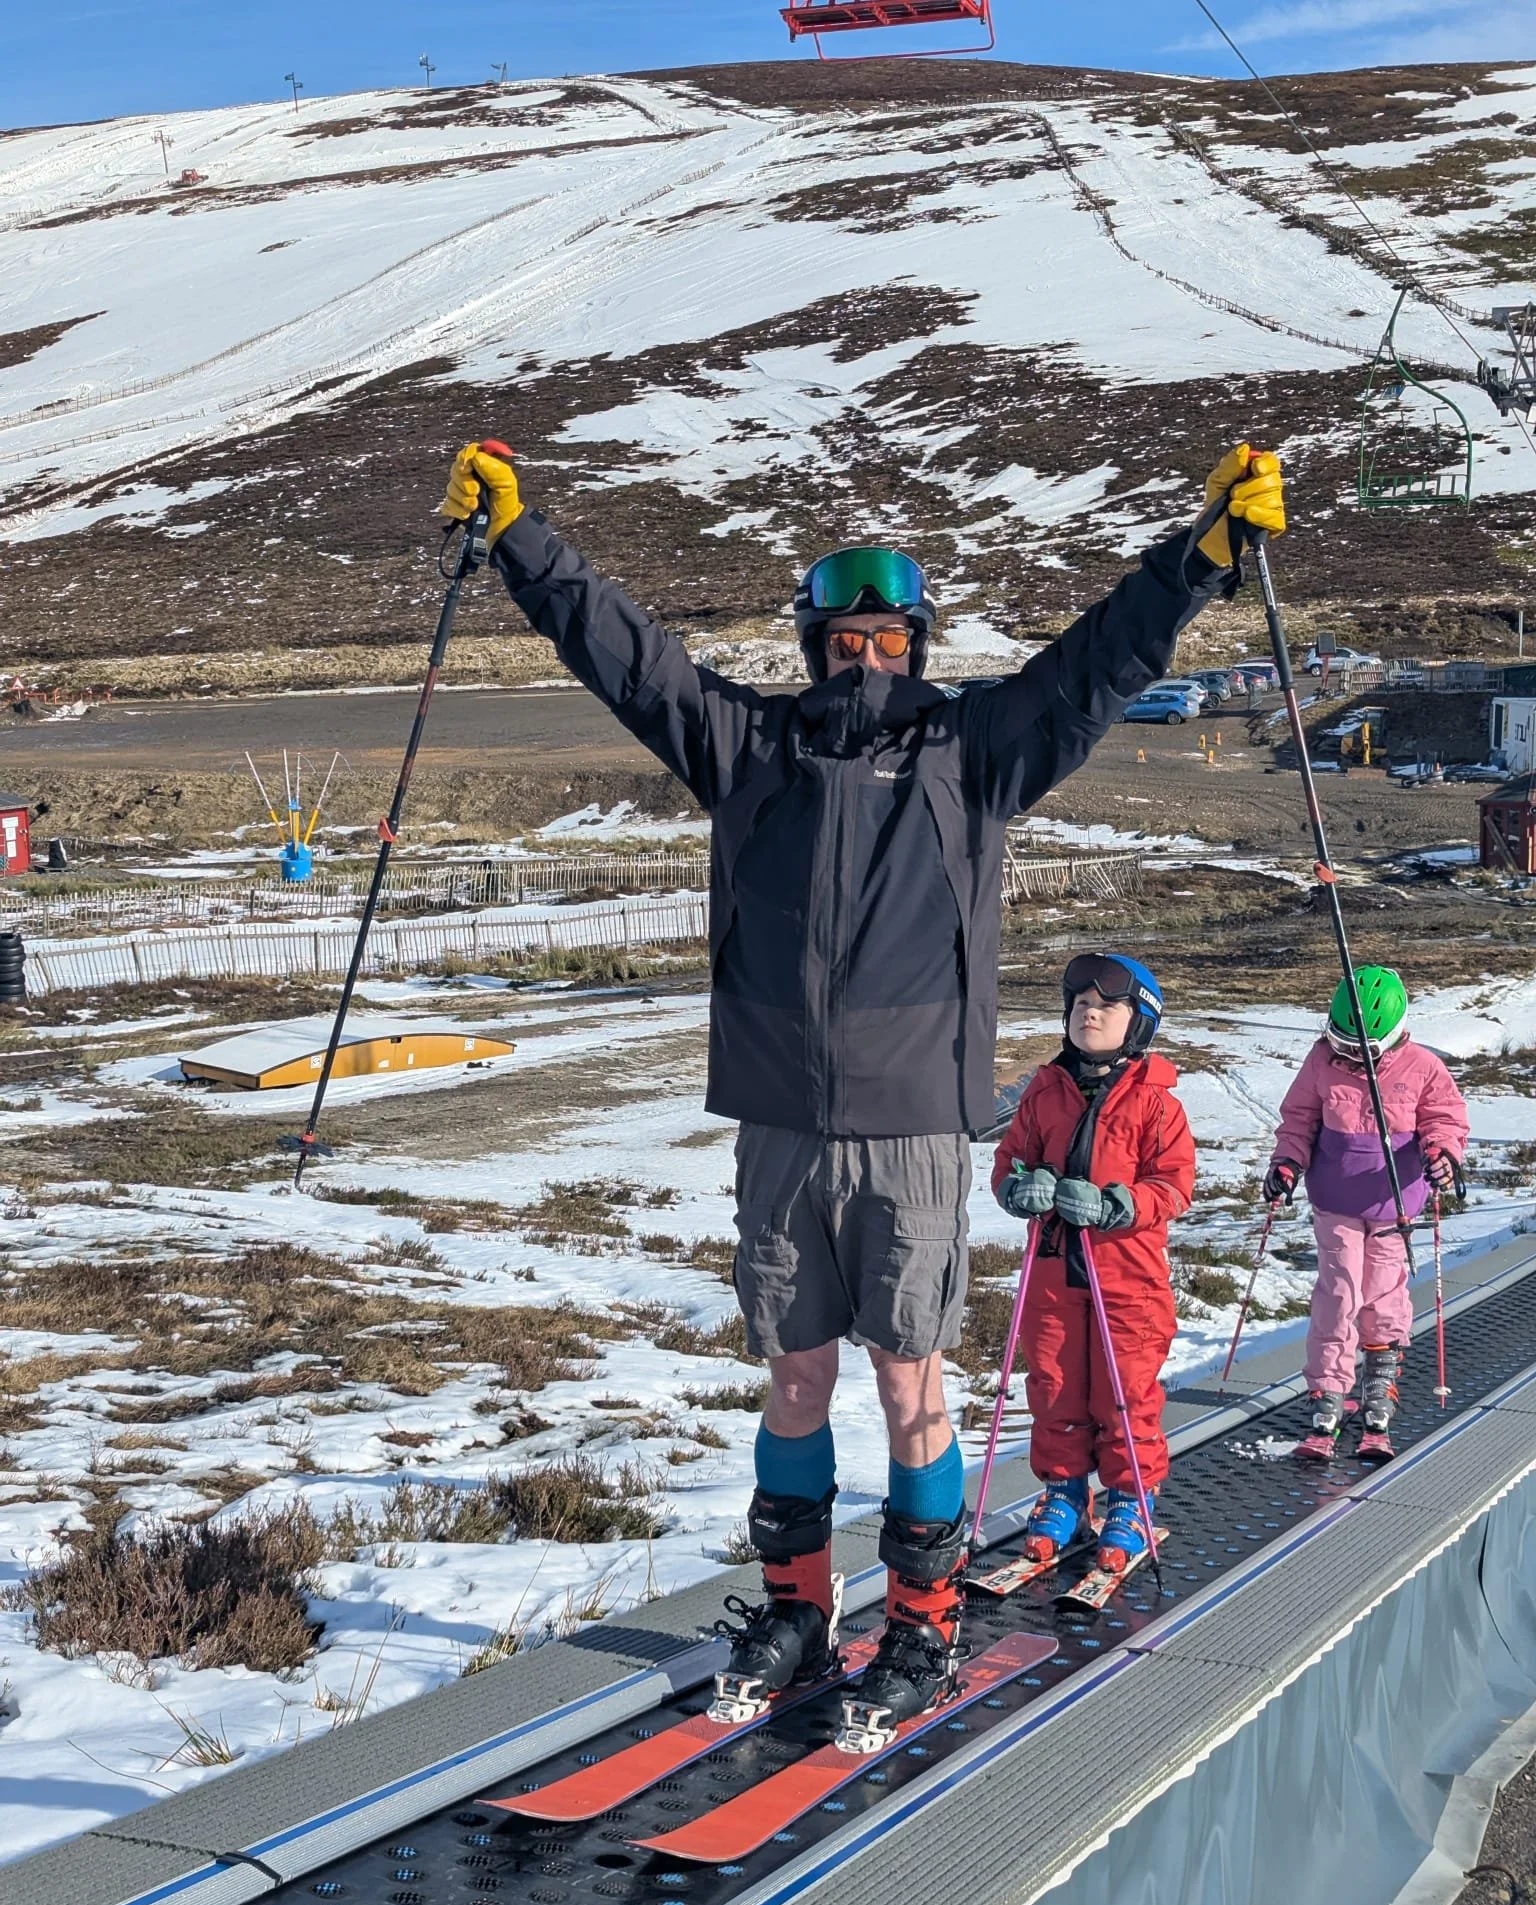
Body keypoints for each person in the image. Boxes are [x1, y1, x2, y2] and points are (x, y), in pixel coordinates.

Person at [439, 439, 1286, 1727]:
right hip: (780, 1123)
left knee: (908, 1381)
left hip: (908, 1135)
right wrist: (520, 541)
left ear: (920, 644)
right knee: (791, 1378)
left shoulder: (976, 750)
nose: (868, 661)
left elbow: (1102, 659)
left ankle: (924, 1622)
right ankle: (795, 1607)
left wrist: (1203, 558)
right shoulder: (748, 748)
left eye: (891, 639)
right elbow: (625, 654)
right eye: (846, 640)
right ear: (812, 644)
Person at [990, 954, 1195, 1571]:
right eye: (1080, 1005)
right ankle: (1063, 1491)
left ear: (1138, 1022)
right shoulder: (1045, 1089)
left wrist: (1117, 1203)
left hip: (1125, 1278)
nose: (1089, 1013)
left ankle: (1132, 1496)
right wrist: (1015, 1187)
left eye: (1106, 1006)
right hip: (1054, 1274)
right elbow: (1011, 1158)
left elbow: (1175, 1185)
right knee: (1054, 1388)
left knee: (1124, 1393)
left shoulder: (1156, 1102)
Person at [1263, 966, 1469, 1460]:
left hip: (1393, 1202)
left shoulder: (1422, 1067)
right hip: (1335, 1200)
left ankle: (1380, 1379)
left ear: (1394, 1035)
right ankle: (1329, 1389)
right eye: (1343, 1044)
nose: (1351, 1057)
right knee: (1337, 1293)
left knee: (1382, 1292)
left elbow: (1445, 1118)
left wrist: (1443, 1154)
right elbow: (1299, 1120)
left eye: (1363, 1050)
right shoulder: (1320, 1063)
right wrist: (1287, 1163)